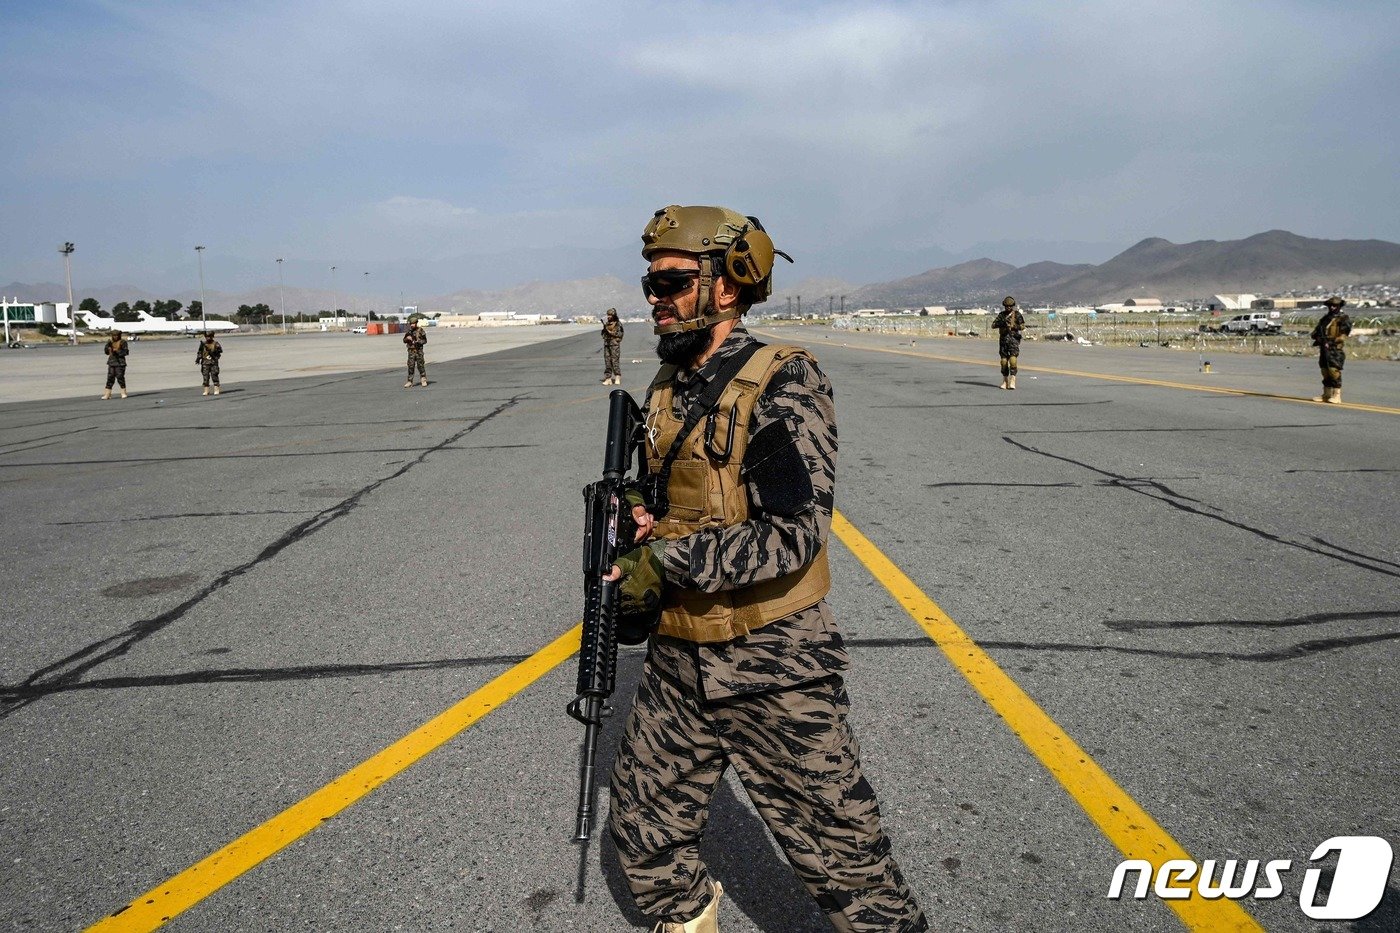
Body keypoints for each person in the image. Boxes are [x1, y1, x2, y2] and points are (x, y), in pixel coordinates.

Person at [604, 205, 927, 933]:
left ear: (728, 284)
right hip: (680, 653)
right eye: (650, 283)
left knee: (849, 867)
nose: (655, 297)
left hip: (772, 660)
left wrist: (664, 556)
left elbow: (793, 534)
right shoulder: (665, 385)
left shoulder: (783, 380)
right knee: (643, 826)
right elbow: (680, 499)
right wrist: (638, 521)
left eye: (673, 282)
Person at [1310, 297, 1351, 404]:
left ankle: (1337, 395)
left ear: (1339, 306)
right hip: (1324, 348)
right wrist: (1319, 338)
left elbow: (1343, 335)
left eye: (1335, 305)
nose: (1332, 307)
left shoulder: (1343, 319)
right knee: (1324, 370)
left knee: (1334, 371)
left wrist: (1331, 342)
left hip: (1334, 349)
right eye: (1330, 305)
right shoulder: (1325, 319)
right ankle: (1326, 394)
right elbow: (1315, 332)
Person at [992, 296, 1024, 390]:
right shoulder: (1001, 315)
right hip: (1003, 341)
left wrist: (1014, 326)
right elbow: (993, 325)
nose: (1008, 308)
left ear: (1013, 306)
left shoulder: (1017, 315)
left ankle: (1013, 379)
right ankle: (1005, 380)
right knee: (1004, 362)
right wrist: (1003, 323)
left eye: (1010, 306)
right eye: (1006, 306)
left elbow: (1022, 326)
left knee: (1013, 360)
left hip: (1013, 340)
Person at [102, 332, 129, 399]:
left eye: (116, 335)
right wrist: (108, 348)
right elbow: (106, 352)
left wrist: (117, 351)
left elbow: (126, 352)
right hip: (111, 362)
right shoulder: (110, 342)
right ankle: (107, 394)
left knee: (120, 377)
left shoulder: (123, 342)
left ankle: (123, 392)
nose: (115, 337)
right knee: (110, 377)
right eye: (114, 335)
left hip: (120, 363)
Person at [601, 308, 624, 385]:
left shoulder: (618, 324)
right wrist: (605, 329)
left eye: (610, 315)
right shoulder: (607, 324)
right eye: (608, 315)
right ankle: (608, 378)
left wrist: (608, 331)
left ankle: (617, 376)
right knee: (607, 361)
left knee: (615, 361)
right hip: (607, 344)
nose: (608, 317)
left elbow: (619, 334)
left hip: (614, 345)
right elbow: (603, 334)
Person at [403, 319, 428, 387]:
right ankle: (409, 381)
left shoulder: (420, 330)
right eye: (411, 323)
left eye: (413, 323)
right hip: (411, 352)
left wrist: (418, 341)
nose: (412, 325)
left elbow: (425, 341)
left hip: (419, 351)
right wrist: (407, 338)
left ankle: (423, 380)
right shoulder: (409, 331)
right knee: (411, 366)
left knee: (420, 366)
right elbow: (404, 340)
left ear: (416, 323)